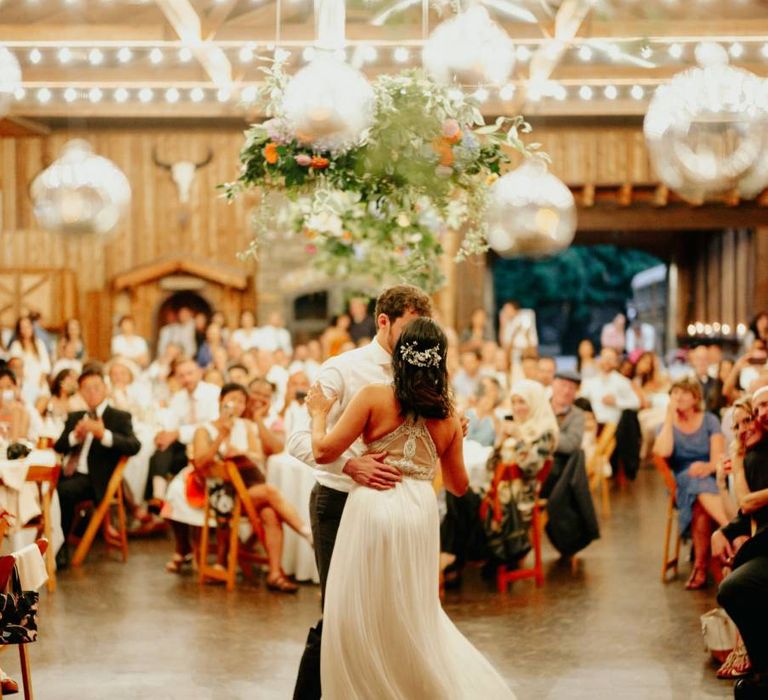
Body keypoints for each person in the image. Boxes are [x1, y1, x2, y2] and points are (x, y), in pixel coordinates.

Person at [306, 317, 515, 699]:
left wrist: (319, 412)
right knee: (413, 612)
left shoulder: (372, 396)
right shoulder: (449, 416)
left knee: (359, 611)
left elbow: (322, 451)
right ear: (441, 362)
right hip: (418, 513)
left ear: (400, 356)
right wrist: (451, 442)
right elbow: (458, 485)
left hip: (372, 507)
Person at [288, 284, 433, 700]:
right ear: (382, 321)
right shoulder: (342, 369)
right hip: (340, 502)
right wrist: (347, 463)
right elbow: (298, 439)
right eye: (407, 328)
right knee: (339, 614)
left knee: (392, 613)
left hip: (398, 509)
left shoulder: (425, 371)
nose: (414, 340)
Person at [189, 383, 311, 591]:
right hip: (222, 495)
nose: (236, 405)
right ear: (221, 400)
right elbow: (199, 463)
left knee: (270, 513)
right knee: (270, 492)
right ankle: (307, 533)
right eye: (232, 399)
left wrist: (242, 453)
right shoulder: (204, 429)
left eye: (241, 401)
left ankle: (274, 574)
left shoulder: (245, 426)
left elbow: (258, 456)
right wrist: (220, 438)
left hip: (248, 486)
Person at [54, 365, 141, 568]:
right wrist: (77, 435)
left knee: (62, 492)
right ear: (81, 392)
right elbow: (59, 445)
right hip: (69, 472)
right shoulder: (76, 416)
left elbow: (134, 445)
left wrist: (103, 435)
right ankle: (42, 545)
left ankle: (60, 548)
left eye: (96, 387)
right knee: (43, 486)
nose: (92, 392)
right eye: (86, 388)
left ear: (105, 388)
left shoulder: (119, 416)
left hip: (95, 479)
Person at [714, 387, 768, 698]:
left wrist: (736, 456)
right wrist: (724, 531)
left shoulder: (757, 456)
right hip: (760, 541)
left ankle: (758, 664)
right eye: (736, 426)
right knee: (732, 587)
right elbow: (739, 509)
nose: (744, 429)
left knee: (734, 587)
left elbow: (747, 503)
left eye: (748, 419)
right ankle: (758, 664)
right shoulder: (752, 458)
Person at [653, 377, 727, 590]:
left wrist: (706, 467)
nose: (679, 397)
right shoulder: (665, 426)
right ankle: (727, 524)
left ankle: (700, 567)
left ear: (696, 398)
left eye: (685, 393)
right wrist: (668, 419)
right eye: (675, 393)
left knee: (701, 508)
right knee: (694, 481)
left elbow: (717, 459)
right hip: (681, 483)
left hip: (710, 477)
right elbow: (664, 452)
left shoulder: (709, 420)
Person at [145, 357, 220, 504]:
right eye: (181, 376)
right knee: (161, 448)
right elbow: (171, 427)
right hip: (184, 449)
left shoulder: (214, 393)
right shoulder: (178, 398)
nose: (186, 379)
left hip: (208, 449)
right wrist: (163, 435)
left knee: (170, 443)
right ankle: (158, 497)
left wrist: (178, 433)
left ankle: (160, 499)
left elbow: (212, 427)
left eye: (189, 373)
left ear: (199, 372)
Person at [499, 379, 559, 520]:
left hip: (521, 498)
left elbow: (531, 467)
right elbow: (491, 464)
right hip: (501, 490)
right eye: (513, 402)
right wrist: (500, 440)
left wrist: (520, 439)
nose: (516, 407)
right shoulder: (517, 425)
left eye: (522, 402)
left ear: (534, 402)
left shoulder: (546, 431)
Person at [542, 370, 585, 497]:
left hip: (559, 470)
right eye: (562, 385)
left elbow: (571, 444)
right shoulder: (541, 407)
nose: (566, 391)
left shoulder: (577, 415)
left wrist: (544, 435)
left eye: (571, 388)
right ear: (553, 385)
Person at [579, 347, 640, 426]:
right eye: (604, 358)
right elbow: (581, 400)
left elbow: (636, 403)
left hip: (615, 425)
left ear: (616, 362)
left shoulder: (623, 381)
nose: (607, 361)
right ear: (600, 360)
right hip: (593, 424)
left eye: (610, 359)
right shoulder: (589, 381)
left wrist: (616, 402)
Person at [8, 316, 51, 404]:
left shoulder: (39, 344)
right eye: (23, 327)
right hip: (24, 383)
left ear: (32, 327)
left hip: (40, 382)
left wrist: (39, 384)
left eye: (28, 326)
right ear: (19, 330)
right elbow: (15, 367)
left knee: (43, 398)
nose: (26, 330)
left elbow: (46, 366)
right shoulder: (16, 346)